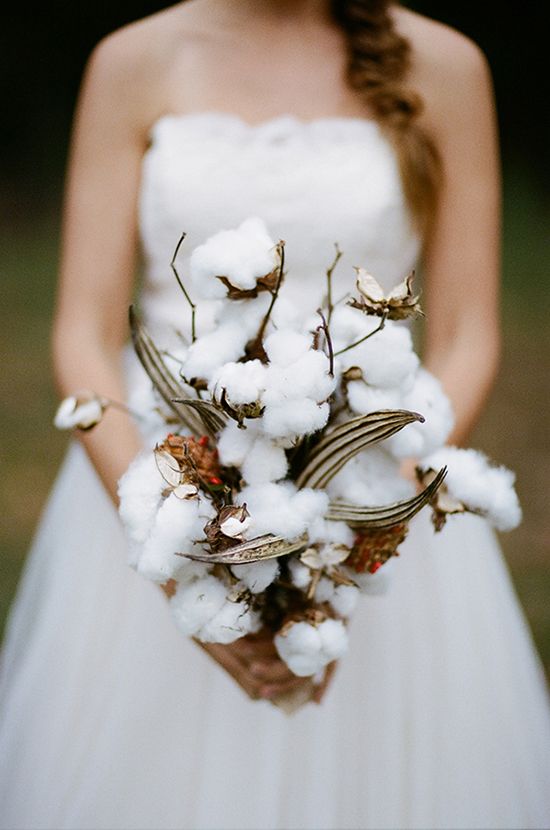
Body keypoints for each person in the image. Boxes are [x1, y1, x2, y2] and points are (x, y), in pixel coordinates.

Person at [1, 1, 549, 828]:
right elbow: (81, 331)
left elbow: (470, 334)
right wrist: (181, 548)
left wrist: (356, 533)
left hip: (372, 490)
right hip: (162, 475)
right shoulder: (133, 59)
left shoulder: (446, 66)